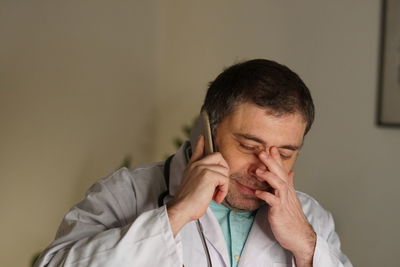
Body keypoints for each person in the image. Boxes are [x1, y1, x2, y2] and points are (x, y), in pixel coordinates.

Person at [35, 59, 352, 267]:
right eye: (248, 145)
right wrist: (176, 215)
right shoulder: (126, 193)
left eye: (283, 154)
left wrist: (308, 250)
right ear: (208, 130)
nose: (264, 168)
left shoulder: (311, 220)